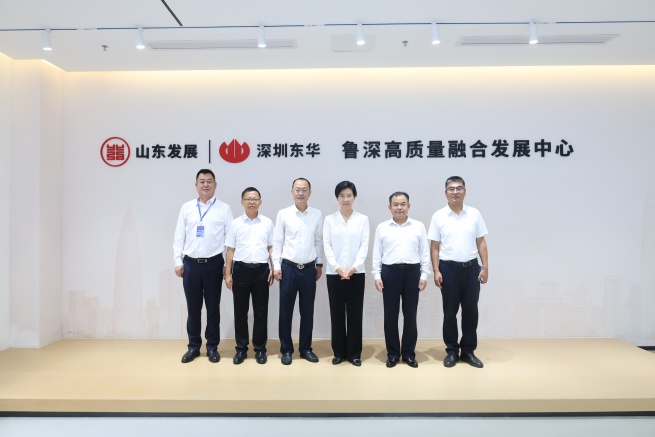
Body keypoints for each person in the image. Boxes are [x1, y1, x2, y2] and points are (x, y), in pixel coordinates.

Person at [428, 176, 489, 368]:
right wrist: (436, 270)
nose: (455, 192)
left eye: (459, 188)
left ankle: (468, 351)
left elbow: (481, 241)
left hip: (471, 269)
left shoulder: (474, 214)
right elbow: (434, 246)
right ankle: (452, 351)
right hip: (448, 269)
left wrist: (485, 267)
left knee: (471, 312)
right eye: (451, 189)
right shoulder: (439, 216)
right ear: (445, 192)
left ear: (465, 191)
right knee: (449, 312)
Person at [173, 169, 233, 363]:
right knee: (193, 308)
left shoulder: (224, 209)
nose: (205, 184)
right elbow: (179, 236)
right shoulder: (187, 208)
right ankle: (193, 346)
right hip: (190, 264)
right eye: (202, 181)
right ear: (196, 185)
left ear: (215, 185)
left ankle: (212, 347)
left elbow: (230, 240)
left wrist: (228, 267)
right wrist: (178, 261)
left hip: (214, 264)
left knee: (213, 308)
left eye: (209, 181)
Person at [372, 192, 430, 368]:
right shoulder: (382, 227)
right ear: (389, 207)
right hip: (389, 273)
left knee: (410, 315)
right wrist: (377, 275)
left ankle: (409, 353)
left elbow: (424, 252)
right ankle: (393, 354)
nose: (399, 208)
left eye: (403, 204)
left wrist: (424, 275)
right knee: (390, 316)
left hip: (412, 272)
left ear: (409, 206)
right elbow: (377, 253)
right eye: (395, 204)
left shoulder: (418, 226)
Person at [272, 178, 324, 365]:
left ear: (310, 193)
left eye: (304, 190)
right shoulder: (284, 214)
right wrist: (276, 266)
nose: (301, 193)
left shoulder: (316, 214)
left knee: (307, 312)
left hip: (309, 269)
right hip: (288, 268)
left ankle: (305, 348)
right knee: (285, 312)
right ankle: (286, 350)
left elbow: (318, 241)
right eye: (297, 190)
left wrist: (319, 264)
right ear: (292, 192)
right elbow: (277, 242)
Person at [224, 187, 274, 365]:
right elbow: (230, 250)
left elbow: (271, 248)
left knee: (261, 312)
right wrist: (228, 273)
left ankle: (260, 349)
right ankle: (241, 349)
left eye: (255, 199)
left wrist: (273, 268)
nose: (251, 202)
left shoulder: (267, 223)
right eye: (248, 199)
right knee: (240, 312)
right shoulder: (235, 224)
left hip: (262, 271)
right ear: (242, 202)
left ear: (260, 202)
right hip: (241, 271)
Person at [323, 181, 370, 367]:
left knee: (355, 314)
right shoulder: (329, 220)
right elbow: (327, 245)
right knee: (336, 314)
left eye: (349, 195)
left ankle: (354, 353)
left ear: (354, 197)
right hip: (334, 274)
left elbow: (364, 245)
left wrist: (354, 267)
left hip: (356, 274)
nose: (345, 199)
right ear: (337, 198)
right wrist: (337, 268)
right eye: (342, 196)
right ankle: (339, 353)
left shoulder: (362, 219)